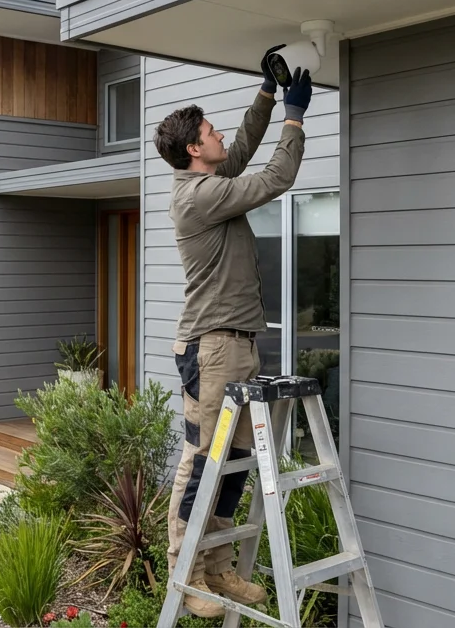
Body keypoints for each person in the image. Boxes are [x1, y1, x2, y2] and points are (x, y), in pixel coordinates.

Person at [152, 46, 312, 618]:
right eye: (211, 131)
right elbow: (275, 175)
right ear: (194, 149)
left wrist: (268, 95)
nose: (220, 136)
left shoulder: (209, 183)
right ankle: (187, 570)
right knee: (202, 461)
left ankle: (217, 567)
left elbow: (241, 149)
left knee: (235, 461)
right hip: (211, 347)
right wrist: (295, 118)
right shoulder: (198, 196)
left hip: (238, 343)